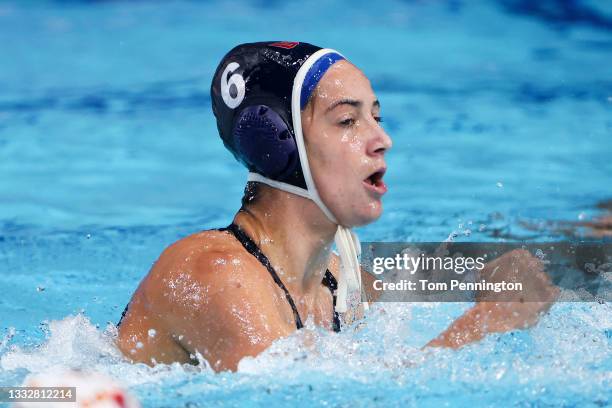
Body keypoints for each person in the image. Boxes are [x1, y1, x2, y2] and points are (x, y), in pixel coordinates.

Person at [116, 42, 557, 372]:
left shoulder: (338, 277)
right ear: (276, 142)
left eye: (376, 118)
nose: (382, 139)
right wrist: (483, 324)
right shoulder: (212, 275)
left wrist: (507, 281)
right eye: (347, 120)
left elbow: (412, 317)